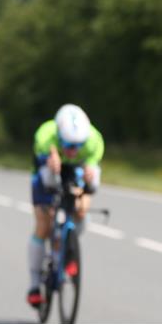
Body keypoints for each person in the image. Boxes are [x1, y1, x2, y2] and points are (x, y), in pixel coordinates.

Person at [26, 104, 104, 307]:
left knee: (81, 208)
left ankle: (68, 248)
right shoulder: (45, 136)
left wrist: (89, 177)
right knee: (44, 224)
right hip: (47, 170)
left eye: (78, 146)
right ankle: (34, 285)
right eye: (68, 145)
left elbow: (92, 182)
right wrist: (51, 164)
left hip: (76, 170)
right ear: (59, 136)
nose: (73, 150)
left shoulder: (94, 141)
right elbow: (46, 179)